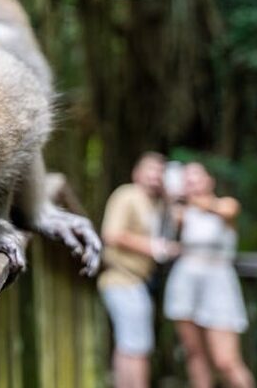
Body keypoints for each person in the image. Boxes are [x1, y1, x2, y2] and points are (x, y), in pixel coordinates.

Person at [164, 162, 254, 388]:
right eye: (187, 179)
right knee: (195, 355)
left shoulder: (225, 205)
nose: (192, 183)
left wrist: (187, 199)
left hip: (218, 283)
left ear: (210, 180)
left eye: (196, 177)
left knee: (226, 361)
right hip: (185, 281)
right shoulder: (181, 213)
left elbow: (227, 211)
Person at [98, 152, 180, 388]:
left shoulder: (158, 205)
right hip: (121, 279)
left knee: (130, 346)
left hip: (136, 282)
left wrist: (171, 197)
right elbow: (111, 235)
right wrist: (153, 247)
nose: (155, 176)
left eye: (160, 172)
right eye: (150, 170)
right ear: (137, 173)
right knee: (137, 349)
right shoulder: (127, 194)